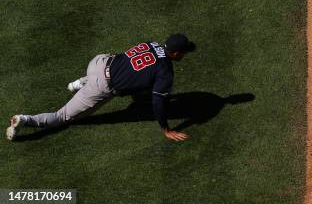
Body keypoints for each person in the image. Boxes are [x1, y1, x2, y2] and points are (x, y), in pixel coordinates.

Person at [6, 33, 196, 142]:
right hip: (100, 85)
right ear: (176, 53)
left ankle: (78, 84)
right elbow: (158, 103)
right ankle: (24, 120)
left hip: (99, 61)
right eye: (184, 52)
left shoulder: (152, 44)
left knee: (135, 80)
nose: (185, 55)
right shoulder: (165, 71)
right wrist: (166, 129)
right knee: (62, 116)